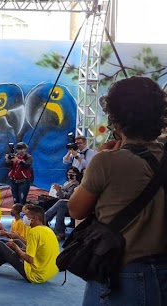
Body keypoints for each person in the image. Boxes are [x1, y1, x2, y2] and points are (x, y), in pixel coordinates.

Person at [68, 76, 167, 305]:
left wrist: (101, 158)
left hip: (121, 274)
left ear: (116, 119)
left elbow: (76, 209)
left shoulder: (106, 161)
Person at [0, 205, 59, 284]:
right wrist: (17, 248)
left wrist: (16, 249)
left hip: (35, 275)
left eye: (26, 215)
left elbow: (30, 259)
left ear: (34, 218)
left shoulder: (34, 231)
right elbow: (39, 251)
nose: (24, 217)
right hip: (47, 273)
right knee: (15, 243)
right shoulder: (48, 230)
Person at [44, 167, 80, 240]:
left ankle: (44, 217)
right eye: (69, 172)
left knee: (61, 202)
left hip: (71, 203)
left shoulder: (76, 184)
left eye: (72, 173)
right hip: (63, 203)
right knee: (61, 209)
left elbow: (68, 196)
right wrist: (57, 191)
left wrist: (59, 191)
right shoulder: (66, 182)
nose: (70, 174)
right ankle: (60, 233)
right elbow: (61, 195)